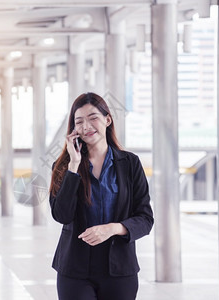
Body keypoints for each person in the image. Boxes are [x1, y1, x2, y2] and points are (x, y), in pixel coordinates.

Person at [49, 92, 154, 300]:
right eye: (79, 122)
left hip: (119, 270)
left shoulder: (130, 164)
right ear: (73, 130)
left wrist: (112, 229)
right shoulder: (63, 167)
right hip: (75, 270)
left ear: (107, 119)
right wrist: (73, 166)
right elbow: (61, 215)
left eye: (93, 118)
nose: (86, 127)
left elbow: (145, 219)